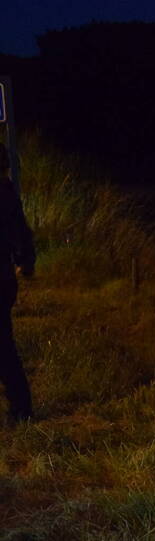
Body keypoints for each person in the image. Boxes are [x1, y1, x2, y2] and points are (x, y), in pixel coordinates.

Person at [0, 142, 34, 423]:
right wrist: (26, 262)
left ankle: (21, 409)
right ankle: (20, 407)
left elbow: (19, 232)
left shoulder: (4, 194)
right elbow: (22, 232)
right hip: (4, 278)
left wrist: (25, 260)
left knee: (3, 346)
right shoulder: (7, 192)